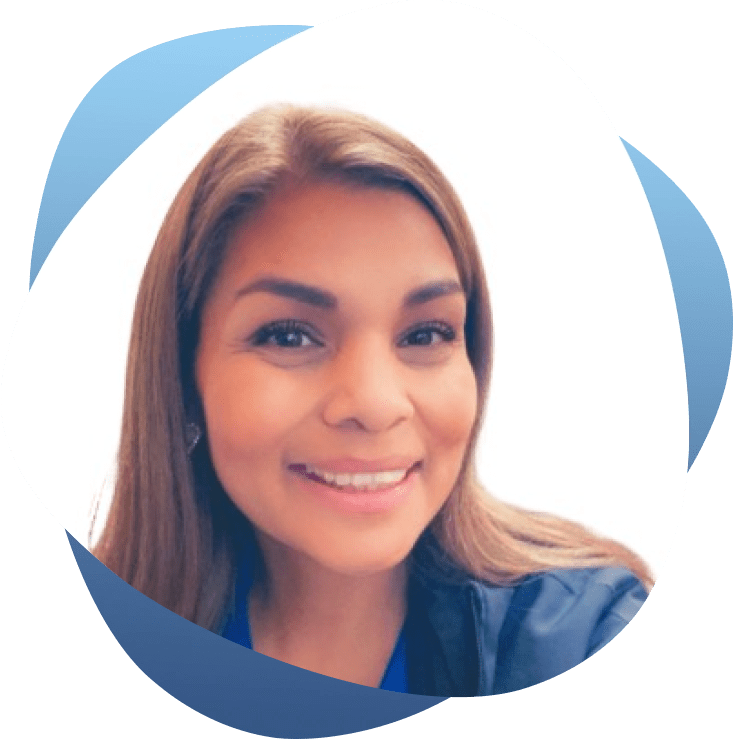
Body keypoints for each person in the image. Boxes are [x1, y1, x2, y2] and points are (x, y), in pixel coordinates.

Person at [94, 105, 652, 696]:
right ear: (182, 373)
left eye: (425, 334)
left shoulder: (585, 638)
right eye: (289, 335)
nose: (376, 403)